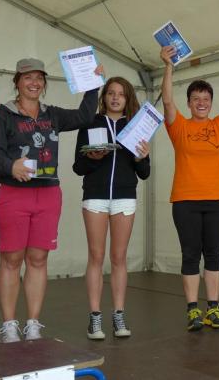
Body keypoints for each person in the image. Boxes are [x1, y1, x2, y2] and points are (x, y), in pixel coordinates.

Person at [0, 58, 99, 343]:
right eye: (27, 77)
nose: (33, 83)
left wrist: (92, 84)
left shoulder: (52, 114)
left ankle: (33, 323)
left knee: (38, 258)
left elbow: (85, 116)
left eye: (38, 78)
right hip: (12, 192)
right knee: (11, 259)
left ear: (44, 83)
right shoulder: (3, 115)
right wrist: (10, 166)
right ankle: (9, 325)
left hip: (47, 194)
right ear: (17, 82)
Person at [161, 41, 219, 331]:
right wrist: (169, 67)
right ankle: (192, 310)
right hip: (185, 201)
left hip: (217, 201)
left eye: (206, 98)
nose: (201, 102)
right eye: (195, 98)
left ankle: (213, 309)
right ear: (189, 103)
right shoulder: (179, 126)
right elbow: (167, 102)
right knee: (190, 255)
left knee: (214, 255)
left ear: (211, 102)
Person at [73, 77, 150, 340]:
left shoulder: (136, 126)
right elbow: (78, 167)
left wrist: (141, 157)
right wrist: (94, 158)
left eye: (121, 94)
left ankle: (118, 314)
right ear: (104, 97)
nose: (116, 98)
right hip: (95, 196)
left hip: (124, 198)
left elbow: (145, 173)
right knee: (96, 256)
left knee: (119, 257)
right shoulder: (90, 122)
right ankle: (95, 317)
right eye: (111, 93)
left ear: (128, 99)